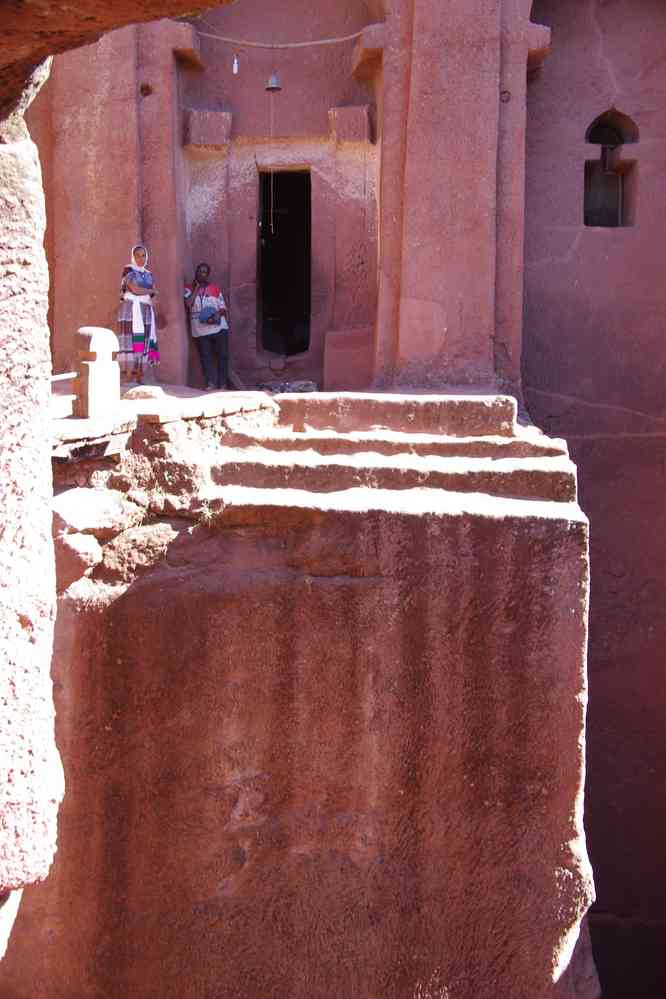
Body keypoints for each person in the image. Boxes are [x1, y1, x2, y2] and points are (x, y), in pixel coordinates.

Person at [117, 244, 160, 383]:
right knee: (130, 340)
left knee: (142, 341)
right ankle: (129, 375)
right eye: (138, 255)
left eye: (143, 255)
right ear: (133, 256)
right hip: (131, 309)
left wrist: (150, 292)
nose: (141, 258)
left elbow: (153, 291)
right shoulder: (128, 270)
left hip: (145, 310)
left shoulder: (149, 274)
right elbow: (134, 289)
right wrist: (150, 291)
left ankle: (139, 375)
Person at [184, 262, 230, 391]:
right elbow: (188, 304)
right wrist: (196, 289)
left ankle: (223, 385)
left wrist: (216, 315)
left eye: (204, 272)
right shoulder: (188, 288)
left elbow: (223, 308)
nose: (201, 274)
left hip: (219, 327)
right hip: (200, 330)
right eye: (199, 271)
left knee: (223, 356)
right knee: (206, 357)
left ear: (208, 275)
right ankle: (211, 383)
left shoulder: (215, 289)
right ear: (196, 273)